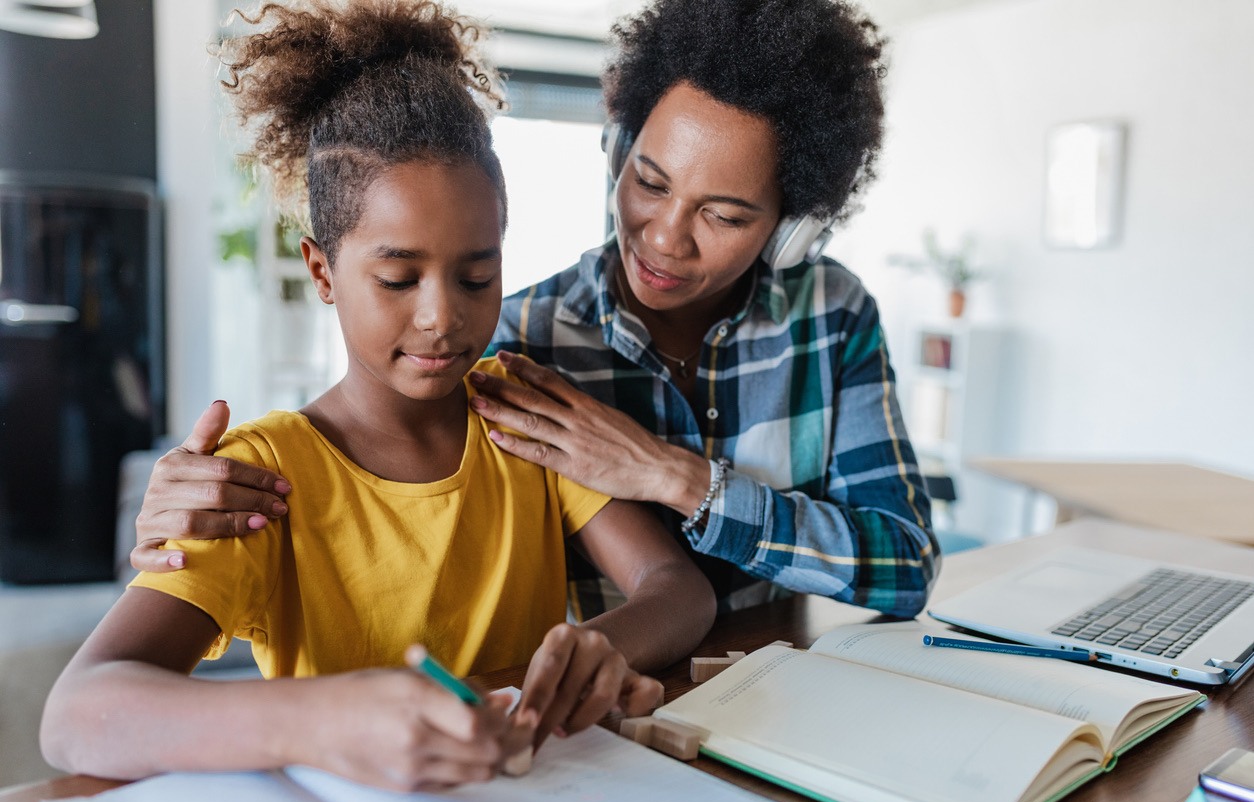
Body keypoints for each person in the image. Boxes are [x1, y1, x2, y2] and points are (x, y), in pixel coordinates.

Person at [40, 0, 714, 792]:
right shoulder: (261, 474)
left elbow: (680, 592)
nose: (443, 317)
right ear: (322, 272)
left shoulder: (524, 415)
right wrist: (324, 719)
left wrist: (604, 645)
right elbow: (78, 714)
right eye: (398, 278)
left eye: (477, 275)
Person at [129, 0, 939, 620]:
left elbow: (904, 567)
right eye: (649, 182)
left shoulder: (831, 312)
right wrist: (192, 509)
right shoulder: (516, 343)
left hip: (781, 686)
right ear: (618, 148)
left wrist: (676, 478)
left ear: (793, 227)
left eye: (723, 216)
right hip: (607, 727)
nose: (663, 237)